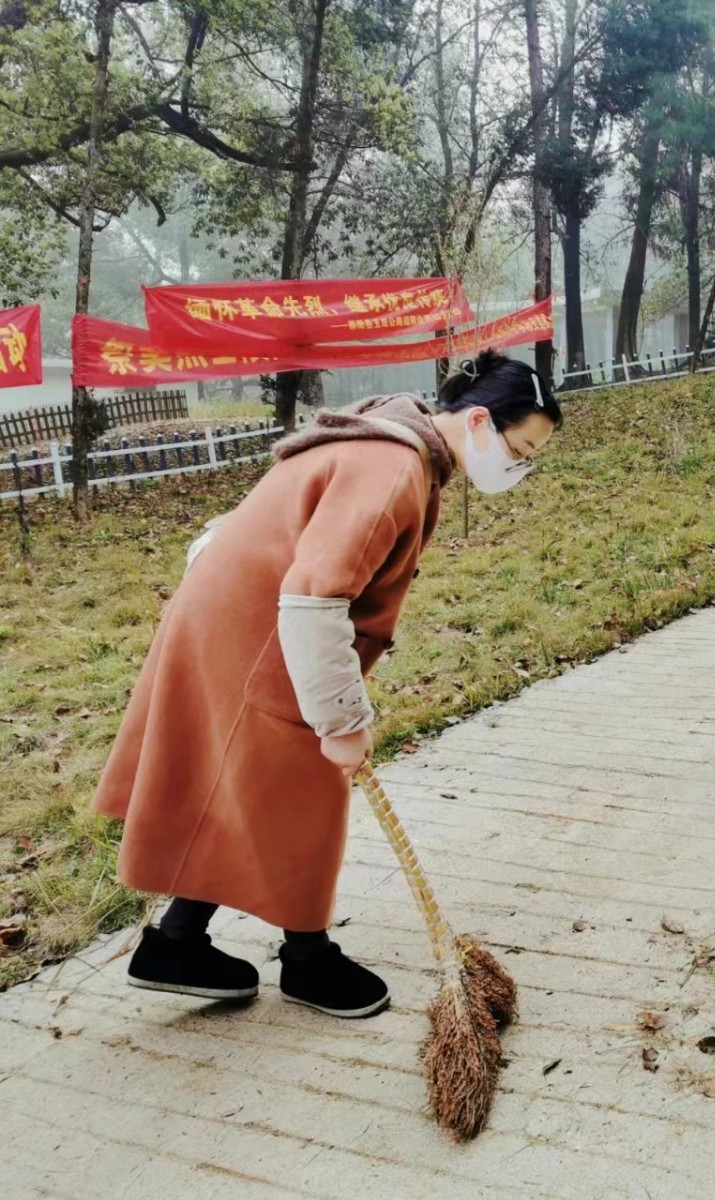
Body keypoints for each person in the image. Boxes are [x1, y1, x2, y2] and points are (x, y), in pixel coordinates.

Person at [92, 350, 560, 1018]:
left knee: (247, 787)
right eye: (520, 449)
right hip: (267, 631)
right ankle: (306, 962)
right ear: (481, 419)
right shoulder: (394, 468)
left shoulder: (389, 440)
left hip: (235, 618)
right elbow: (316, 598)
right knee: (304, 793)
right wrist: (342, 720)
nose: (519, 467)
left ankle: (176, 942)